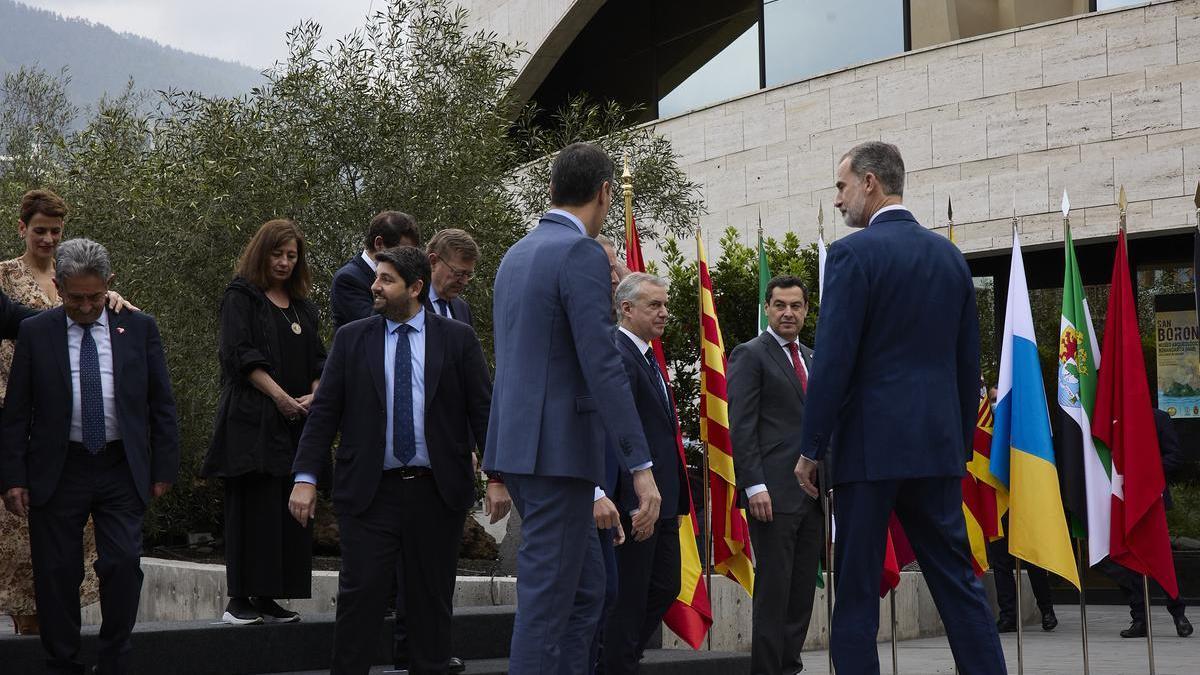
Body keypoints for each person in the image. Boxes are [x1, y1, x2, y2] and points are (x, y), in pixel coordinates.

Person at [794, 141, 1005, 674]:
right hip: (935, 451)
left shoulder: (851, 255)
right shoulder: (950, 258)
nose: (838, 201)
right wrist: (955, 445)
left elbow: (833, 363)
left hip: (868, 452)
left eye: (841, 187)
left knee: (859, 591)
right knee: (959, 584)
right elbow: (966, 367)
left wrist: (810, 448)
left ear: (870, 183)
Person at [288, 246, 510, 674]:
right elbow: (325, 413)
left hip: (436, 493)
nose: (375, 286)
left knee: (430, 606)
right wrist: (305, 477)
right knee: (361, 599)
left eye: (386, 280)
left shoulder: (457, 340)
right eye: (377, 278)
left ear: (415, 288)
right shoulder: (353, 339)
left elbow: (483, 412)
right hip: (371, 494)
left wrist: (496, 476)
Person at [484, 141, 662, 674]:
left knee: (589, 593)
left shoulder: (516, 253)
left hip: (524, 452)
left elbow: (511, 360)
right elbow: (602, 364)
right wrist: (641, 465)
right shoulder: (580, 253)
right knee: (547, 606)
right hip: (558, 458)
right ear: (606, 193)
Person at [0, 237, 179, 675]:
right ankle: (62, 662)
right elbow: (16, 412)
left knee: (121, 564)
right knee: (57, 572)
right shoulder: (35, 332)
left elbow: (162, 403)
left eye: (95, 296)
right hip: (58, 468)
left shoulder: (139, 327)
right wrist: (12, 477)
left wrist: (164, 467)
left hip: (121, 466)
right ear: (58, 287)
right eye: (76, 297)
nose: (86, 307)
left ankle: (114, 658)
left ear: (110, 285)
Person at [201, 219, 327, 626]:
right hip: (251, 423)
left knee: (285, 511)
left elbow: (321, 358)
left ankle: (270, 595)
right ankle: (240, 600)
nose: (285, 262)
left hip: (294, 425)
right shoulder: (242, 296)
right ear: (262, 253)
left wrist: (315, 390)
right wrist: (279, 397)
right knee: (252, 508)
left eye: (292, 256)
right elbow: (238, 354)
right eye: (278, 254)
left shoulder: (303, 305)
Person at [0, 190, 100, 637]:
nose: (47, 238)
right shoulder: (3, 278)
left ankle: (62, 644)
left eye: (55, 231)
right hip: (16, 419)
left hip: (72, 426)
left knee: (70, 549)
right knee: (22, 550)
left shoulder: (75, 279)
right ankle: (30, 644)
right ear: (22, 228)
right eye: (39, 230)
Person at [727, 275, 822, 675]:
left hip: (815, 496)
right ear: (767, 307)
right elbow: (742, 425)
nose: (788, 313)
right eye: (780, 305)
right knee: (774, 592)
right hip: (772, 496)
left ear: (805, 310)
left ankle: (790, 667)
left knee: (802, 593)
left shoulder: (814, 358)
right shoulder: (750, 354)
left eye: (796, 306)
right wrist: (755, 485)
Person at [600, 273, 690, 675]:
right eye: (655, 305)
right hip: (637, 501)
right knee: (631, 594)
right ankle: (614, 662)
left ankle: (622, 656)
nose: (664, 313)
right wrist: (629, 497)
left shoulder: (647, 356)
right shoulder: (617, 354)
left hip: (664, 498)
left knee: (666, 585)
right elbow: (618, 431)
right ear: (627, 308)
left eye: (665, 304)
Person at [1100, 408, 1192, 639]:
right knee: (1129, 562)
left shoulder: (1158, 418)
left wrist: (1144, 471)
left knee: (1160, 559)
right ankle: (1139, 618)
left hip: (1151, 500)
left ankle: (1178, 614)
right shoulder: (1111, 418)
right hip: (1121, 498)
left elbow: (1174, 457)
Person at [331, 211, 420, 331]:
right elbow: (375, 327)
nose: (407, 259)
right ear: (379, 244)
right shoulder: (348, 279)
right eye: (402, 251)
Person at [987, 517, 1057, 632]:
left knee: (1033, 560)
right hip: (1000, 506)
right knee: (1000, 561)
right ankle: (1008, 616)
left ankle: (1047, 610)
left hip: (1025, 506)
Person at [424, 228, 477, 325]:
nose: (464, 282)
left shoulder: (462, 309)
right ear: (433, 261)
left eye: (468, 275)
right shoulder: (407, 302)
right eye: (458, 273)